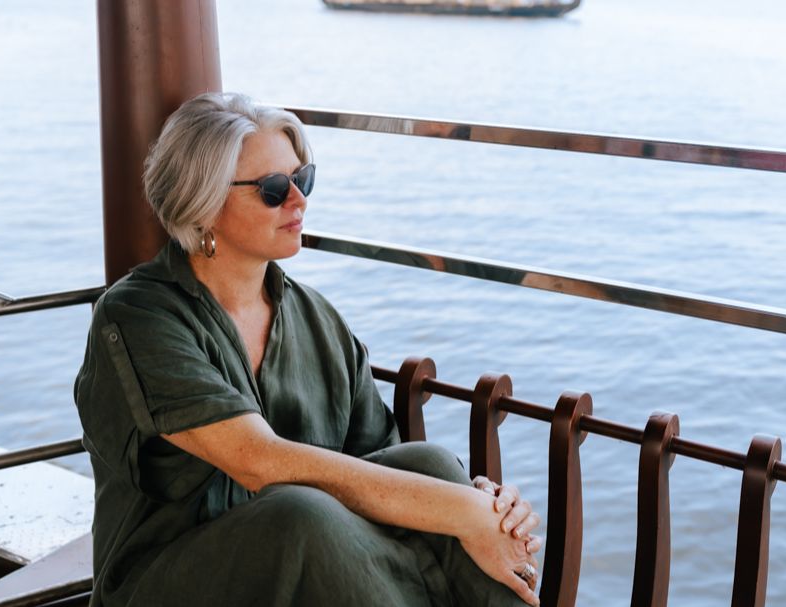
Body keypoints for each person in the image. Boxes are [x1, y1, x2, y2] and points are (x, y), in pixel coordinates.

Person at [74, 92, 542, 607]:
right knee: (299, 516)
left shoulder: (317, 320)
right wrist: (461, 510)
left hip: (318, 580)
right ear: (203, 202)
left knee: (428, 463)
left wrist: (480, 506)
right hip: (168, 586)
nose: (299, 200)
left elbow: (384, 469)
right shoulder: (139, 317)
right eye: (274, 189)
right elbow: (258, 461)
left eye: (304, 179)